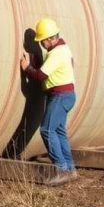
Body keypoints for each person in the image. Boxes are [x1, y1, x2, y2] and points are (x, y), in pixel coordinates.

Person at [19, 17, 78, 183]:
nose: (41, 44)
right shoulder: (61, 50)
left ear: (51, 38)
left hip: (60, 96)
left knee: (46, 129)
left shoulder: (57, 53)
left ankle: (61, 169)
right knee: (59, 132)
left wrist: (26, 68)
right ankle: (70, 168)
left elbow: (40, 75)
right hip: (65, 96)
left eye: (42, 41)